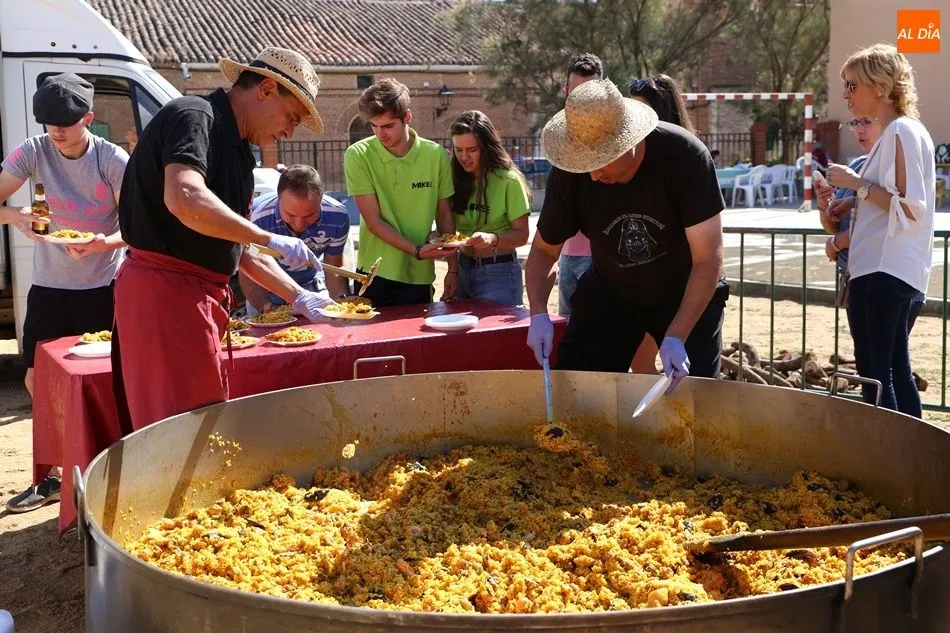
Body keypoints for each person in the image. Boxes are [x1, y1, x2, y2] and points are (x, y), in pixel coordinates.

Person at [112, 47, 336, 433]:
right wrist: (269, 236)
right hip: (164, 296)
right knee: (177, 427)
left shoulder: (239, 155)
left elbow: (239, 246)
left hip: (196, 298)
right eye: (292, 117)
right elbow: (184, 197)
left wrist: (297, 296)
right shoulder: (193, 116)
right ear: (266, 89)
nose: (288, 131)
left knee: (204, 416)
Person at [525, 80, 727, 394]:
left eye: (601, 161)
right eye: (585, 164)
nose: (592, 175)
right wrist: (537, 312)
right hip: (611, 291)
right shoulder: (571, 171)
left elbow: (708, 257)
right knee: (578, 389)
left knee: (699, 397)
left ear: (629, 141)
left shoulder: (684, 156)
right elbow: (542, 252)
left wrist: (676, 335)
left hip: (684, 289)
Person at [0, 73, 128, 513]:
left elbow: (138, 225)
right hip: (50, 287)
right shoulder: (33, 151)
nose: (57, 130)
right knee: (39, 379)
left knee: (104, 383)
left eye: (67, 122)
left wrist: (103, 243)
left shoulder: (112, 158)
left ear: (88, 118)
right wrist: (15, 215)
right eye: (49, 122)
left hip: (101, 287)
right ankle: (53, 476)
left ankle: (105, 471)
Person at [826, 43, 935, 417]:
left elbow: (909, 206)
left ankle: (888, 459)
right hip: (893, 268)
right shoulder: (903, 131)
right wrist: (854, 199)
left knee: (875, 373)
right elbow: (894, 200)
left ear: (881, 86)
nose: (846, 95)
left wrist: (855, 185)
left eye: (853, 85)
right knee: (895, 370)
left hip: (883, 270)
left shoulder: (900, 132)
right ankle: (911, 457)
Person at [344, 78, 456, 307]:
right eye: (374, 126)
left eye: (387, 126)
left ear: (407, 117)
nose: (380, 134)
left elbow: (444, 215)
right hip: (374, 273)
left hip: (420, 274)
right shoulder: (357, 155)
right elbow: (373, 221)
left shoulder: (436, 155)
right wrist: (415, 250)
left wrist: (453, 270)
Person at [627, 73, 706, 374]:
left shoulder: (688, 159)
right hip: (647, 282)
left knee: (692, 372)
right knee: (640, 359)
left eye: (641, 111)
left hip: (686, 280)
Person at [239, 164, 351, 314]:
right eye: (291, 215)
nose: (299, 224)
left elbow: (333, 268)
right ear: (278, 199)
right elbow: (248, 266)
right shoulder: (255, 218)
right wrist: (266, 308)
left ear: (321, 200)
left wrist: (341, 303)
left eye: (309, 215)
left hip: (311, 286)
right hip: (265, 287)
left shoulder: (337, 217)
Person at [448, 110, 531, 304]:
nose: (464, 157)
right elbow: (449, 226)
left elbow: (522, 235)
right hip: (462, 268)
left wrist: (492, 238)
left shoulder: (508, 180)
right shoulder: (455, 179)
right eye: (458, 150)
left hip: (498, 272)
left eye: (472, 150)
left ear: (486, 147)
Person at [557, 53, 602, 318]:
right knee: (567, 329)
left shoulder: (611, 131)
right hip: (566, 250)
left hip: (599, 252)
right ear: (566, 90)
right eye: (577, 92)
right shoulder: (560, 133)